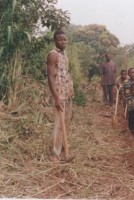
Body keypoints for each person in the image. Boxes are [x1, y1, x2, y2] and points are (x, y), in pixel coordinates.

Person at [47, 30, 74, 162]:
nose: (63, 42)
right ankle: (54, 154)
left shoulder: (65, 55)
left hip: (67, 93)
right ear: (55, 41)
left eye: (65, 40)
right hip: (59, 94)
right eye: (60, 40)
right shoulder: (53, 55)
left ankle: (63, 149)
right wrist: (56, 97)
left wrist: (70, 90)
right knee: (59, 123)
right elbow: (51, 77)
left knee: (66, 122)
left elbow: (66, 74)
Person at [120, 68, 134, 142]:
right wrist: (124, 98)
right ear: (128, 74)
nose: (133, 74)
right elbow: (121, 91)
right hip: (130, 104)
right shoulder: (126, 82)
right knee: (131, 119)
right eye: (131, 72)